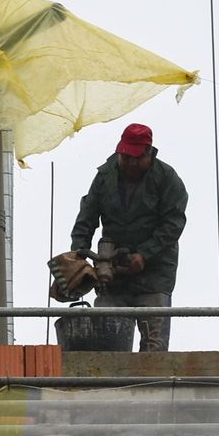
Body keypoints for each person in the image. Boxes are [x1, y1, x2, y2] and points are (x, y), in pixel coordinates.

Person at [69, 123, 187, 351]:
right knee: (105, 344)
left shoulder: (167, 178)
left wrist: (144, 254)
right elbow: (87, 217)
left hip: (155, 275)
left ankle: (152, 386)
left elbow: (173, 224)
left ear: (148, 153)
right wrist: (78, 257)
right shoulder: (105, 176)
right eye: (125, 157)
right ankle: (110, 387)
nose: (130, 163)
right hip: (112, 274)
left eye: (136, 158)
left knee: (154, 347)